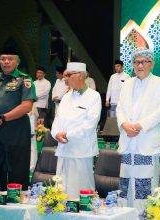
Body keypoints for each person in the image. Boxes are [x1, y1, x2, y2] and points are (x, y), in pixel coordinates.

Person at [116, 48, 160, 211]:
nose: (140, 65)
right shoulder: (127, 83)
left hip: (147, 142)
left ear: (151, 64)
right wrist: (125, 125)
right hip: (128, 142)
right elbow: (120, 108)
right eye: (136, 62)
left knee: (145, 188)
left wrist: (139, 126)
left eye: (143, 62)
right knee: (126, 188)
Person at [0, 47, 36, 190]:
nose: (6, 62)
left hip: (16, 129)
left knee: (16, 166)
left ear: (17, 62)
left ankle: (16, 200)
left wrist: (3, 118)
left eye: (10, 59)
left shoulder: (25, 79)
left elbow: (26, 106)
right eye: (3, 59)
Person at [51, 62, 101, 199]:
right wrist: (56, 134)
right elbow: (57, 120)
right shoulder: (66, 96)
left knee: (81, 191)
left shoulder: (94, 96)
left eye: (68, 75)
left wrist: (68, 135)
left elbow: (90, 124)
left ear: (80, 76)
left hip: (81, 150)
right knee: (61, 189)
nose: (64, 78)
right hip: (63, 148)